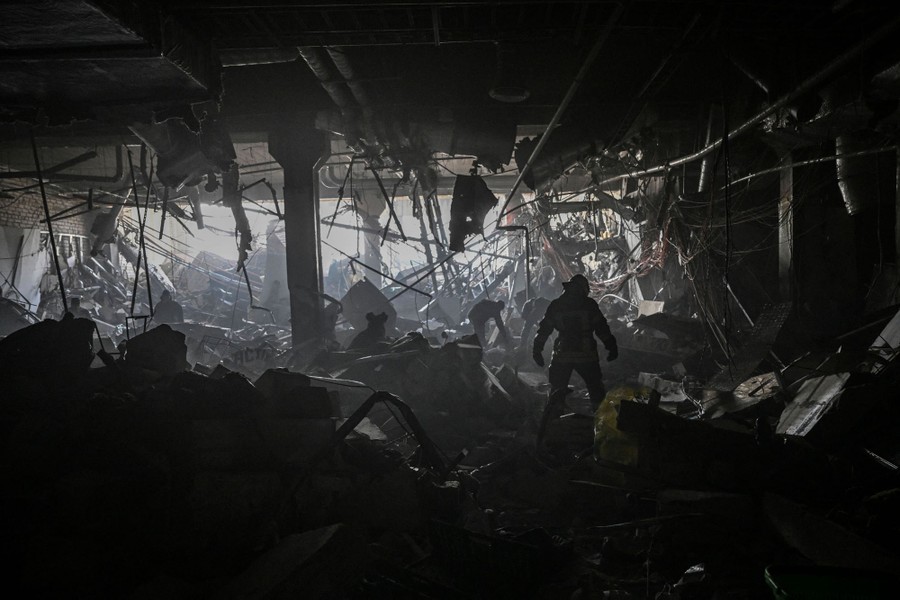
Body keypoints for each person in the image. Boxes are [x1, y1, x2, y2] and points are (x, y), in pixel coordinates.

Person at [532, 274, 617, 441]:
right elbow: (601, 328)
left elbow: (544, 329)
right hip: (586, 355)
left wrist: (537, 349)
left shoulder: (556, 305)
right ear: (583, 289)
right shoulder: (589, 304)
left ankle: (552, 427)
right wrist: (611, 346)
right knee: (595, 390)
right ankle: (601, 427)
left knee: (557, 391)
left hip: (562, 354)